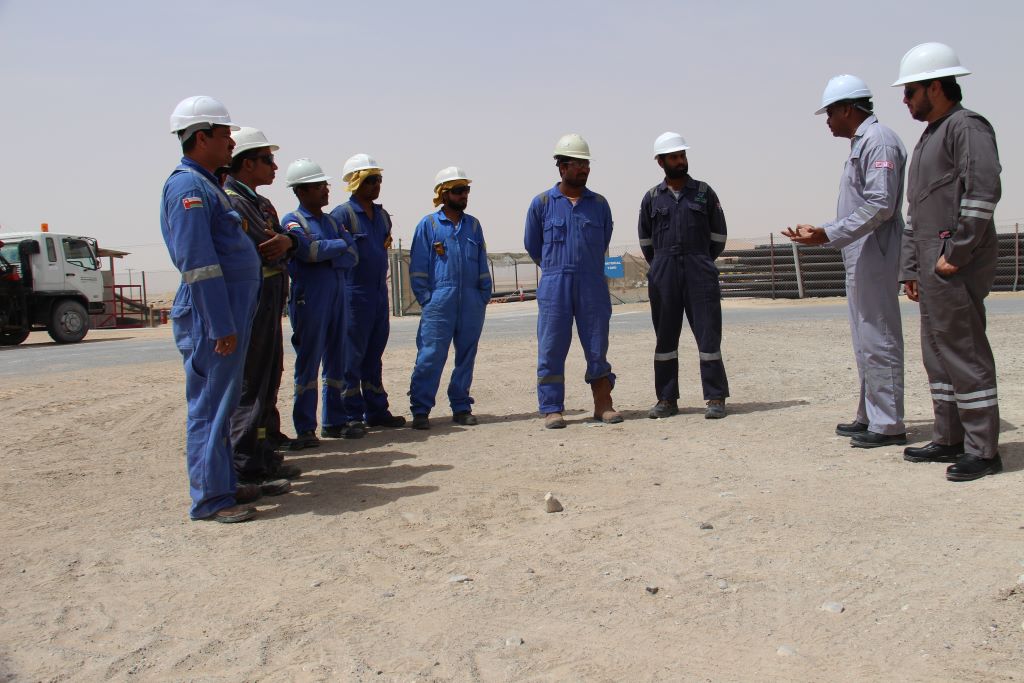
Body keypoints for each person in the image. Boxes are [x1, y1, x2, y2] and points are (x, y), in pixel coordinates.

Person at [893, 42, 1002, 481]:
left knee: (964, 352)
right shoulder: (929, 137)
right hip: (931, 266)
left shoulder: (967, 127)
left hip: (954, 264)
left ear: (935, 87)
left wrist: (956, 254)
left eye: (910, 91)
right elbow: (916, 211)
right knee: (938, 355)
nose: (905, 100)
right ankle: (950, 437)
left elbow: (982, 193)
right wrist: (910, 268)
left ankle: (983, 449)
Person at [782, 76, 907, 447]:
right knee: (865, 338)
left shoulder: (879, 140)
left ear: (848, 109)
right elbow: (861, 205)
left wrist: (828, 234)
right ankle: (871, 415)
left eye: (831, 112)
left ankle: (888, 423)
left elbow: (881, 204)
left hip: (875, 251)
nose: (828, 120)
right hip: (860, 252)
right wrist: (824, 230)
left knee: (879, 336)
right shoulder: (862, 144)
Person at [161, 95, 261, 523]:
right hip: (210, 317)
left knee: (223, 402)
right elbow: (197, 263)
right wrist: (220, 324)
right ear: (201, 137)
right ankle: (210, 500)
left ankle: (222, 483)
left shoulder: (207, 185)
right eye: (224, 135)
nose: (231, 143)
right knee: (209, 406)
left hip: (226, 312)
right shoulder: (189, 188)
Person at [524, 133, 621, 429]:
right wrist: (557, 267)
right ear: (562, 167)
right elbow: (533, 245)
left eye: (586, 164)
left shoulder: (599, 204)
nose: (584, 169)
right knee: (551, 346)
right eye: (578, 164)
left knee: (597, 344)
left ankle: (603, 404)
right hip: (555, 283)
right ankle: (552, 408)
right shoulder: (542, 204)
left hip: (592, 282)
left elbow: (604, 240)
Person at [223, 127, 301, 491]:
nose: (274, 166)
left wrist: (289, 242)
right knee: (251, 383)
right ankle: (246, 465)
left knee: (269, 378)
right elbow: (266, 246)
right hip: (253, 300)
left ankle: (264, 453)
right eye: (268, 159)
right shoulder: (234, 202)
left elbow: (285, 242)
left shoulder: (259, 203)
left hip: (270, 298)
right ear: (247, 163)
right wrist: (285, 244)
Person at [639, 132, 730, 420]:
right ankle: (666, 399)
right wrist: (662, 264)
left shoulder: (704, 192)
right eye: (674, 157)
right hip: (664, 273)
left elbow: (719, 235)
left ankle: (715, 397)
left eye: (682, 156)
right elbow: (646, 242)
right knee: (665, 338)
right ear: (661, 162)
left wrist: (701, 260)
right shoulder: (652, 198)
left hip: (699, 270)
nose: (680, 161)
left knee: (708, 335)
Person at [280, 159, 359, 448]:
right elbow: (309, 252)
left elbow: (353, 256)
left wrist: (328, 251)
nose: (326, 190)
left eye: (325, 185)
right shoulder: (292, 221)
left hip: (337, 296)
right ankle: (305, 427)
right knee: (309, 362)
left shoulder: (333, 222)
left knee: (337, 359)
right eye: (318, 186)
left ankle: (334, 421)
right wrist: (338, 246)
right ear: (301, 191)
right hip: (309, 299)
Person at [408, 167, 492, 429]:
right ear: (443, 194)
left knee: (466, 355)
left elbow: (482, 263)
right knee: (431, 355)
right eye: (458, 191)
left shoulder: (473, 226)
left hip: (471, 301)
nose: (464, 195)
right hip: (439, 301)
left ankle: (461, 405)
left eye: (466, 190)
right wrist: (426, 298)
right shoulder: (428, 225)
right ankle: (421, 409)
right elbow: (418, 267)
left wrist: (483, 295)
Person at [330, 154, 405, 437]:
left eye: (379, 179)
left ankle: (376, 410)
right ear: (355, 182)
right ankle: (351, 414)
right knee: (351, 356)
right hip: (353, 294)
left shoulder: (382, 216)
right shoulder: (342, 216)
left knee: (374, 354)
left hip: (378, 294)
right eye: (371, 180)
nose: (376, 185)